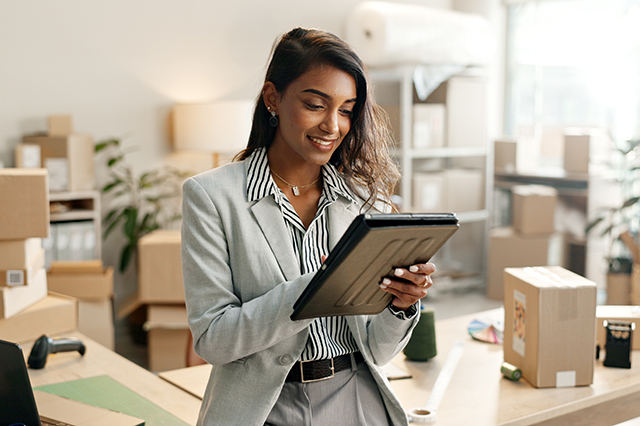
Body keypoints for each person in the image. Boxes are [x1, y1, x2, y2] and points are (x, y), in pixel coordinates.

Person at [181, 27, 437, 426]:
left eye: (347, 109)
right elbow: (214, 339)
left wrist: (402, 306)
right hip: (262, 408)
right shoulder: (212, 196)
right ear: (273, 99)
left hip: (355, 398)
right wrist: (314, 288)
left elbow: (378, 351)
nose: (333, 125)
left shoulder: (367, 201)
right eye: (316, 104)